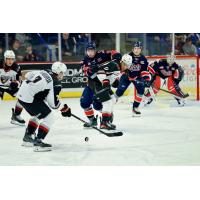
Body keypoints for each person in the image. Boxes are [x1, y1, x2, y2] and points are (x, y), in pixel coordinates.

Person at [17, 62, 71, 152]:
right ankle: (39, 142)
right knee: (50, 117)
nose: (63, 75)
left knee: (37, 114)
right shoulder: (56, 83)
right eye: (62, 72)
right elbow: (53, 104)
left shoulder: (44, 71)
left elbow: (27, 75)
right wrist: (64, 109)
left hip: (21, 96)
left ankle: (28, 138)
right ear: (59, 72)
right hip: (30, 99)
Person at [80, 41, 119, 129]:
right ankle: (92, 120)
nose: (90, 52)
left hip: (102, 83)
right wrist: (90, 69)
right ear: (86, 51)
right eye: (88, 50)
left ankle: (107, 118)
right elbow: (86, 71)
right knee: (84, 103)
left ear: (95, 50)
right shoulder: (84, 61)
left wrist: (116, 55)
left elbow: (113, 52)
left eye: (92, 50)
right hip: (91, 84)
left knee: (98, 105)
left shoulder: (102, 54)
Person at [115, 41, 151, 116]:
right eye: (135, 48)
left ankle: (135, 108)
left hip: (137, 77)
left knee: (141, 91)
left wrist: (146, 80)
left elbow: (144, 70)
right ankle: (109, 105)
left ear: (141, 49)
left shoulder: (143, 59)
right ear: (133, 49)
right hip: (126, 77)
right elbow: (121, 67)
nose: (136, 50)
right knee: (120, 91)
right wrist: (125, 72)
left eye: (138, 48)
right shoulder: (127, 56)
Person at [0, 50, 25, 125]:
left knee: (23, 96)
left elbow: (20, 80)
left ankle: (16, 116)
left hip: (10, 87)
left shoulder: (16, 67)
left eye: (12, 59)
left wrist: (16, 83)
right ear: (5, 59)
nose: (10, 61)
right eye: (8, 59)